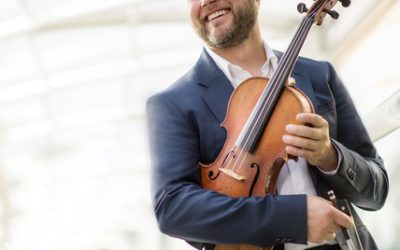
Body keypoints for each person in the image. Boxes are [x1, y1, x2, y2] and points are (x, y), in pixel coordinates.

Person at [146, 0, 389, 249]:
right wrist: (294, 218)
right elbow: (173, 209)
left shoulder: (319, 76)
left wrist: (330, 156)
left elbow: (376, 192)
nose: (206, 1)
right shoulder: (172, 103)